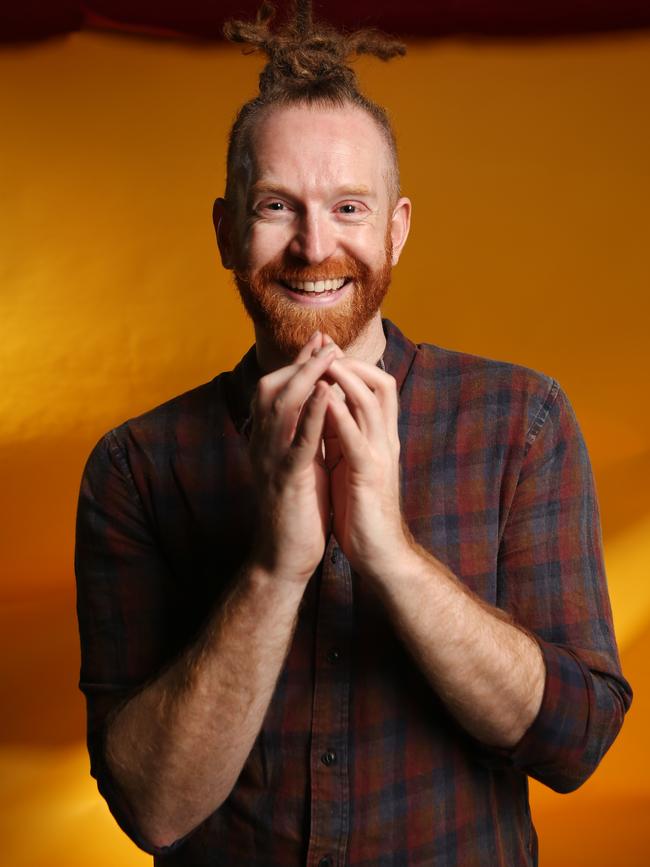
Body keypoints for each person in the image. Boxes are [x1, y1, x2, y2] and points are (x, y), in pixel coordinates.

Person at [75, 2, 632, 865]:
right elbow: (151, 806)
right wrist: (272, 568)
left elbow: (577, 744)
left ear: (395, 229)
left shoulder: (521, 422)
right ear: (226, 232)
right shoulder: (136, 468)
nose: (313, 245)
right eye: (275, 206)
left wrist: (393, 555)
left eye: (346, 206)